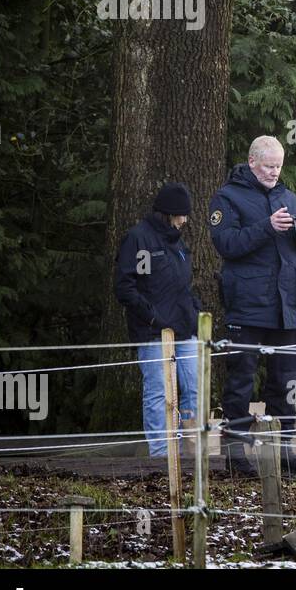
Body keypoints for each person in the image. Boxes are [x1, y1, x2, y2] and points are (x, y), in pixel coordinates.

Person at [208, 136, 296, 477]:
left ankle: (283, 452)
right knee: (241, 381)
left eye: (279, 166)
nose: (274, 172)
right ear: (253, 162)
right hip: (248, 306)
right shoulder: (228, 197)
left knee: (284, 382)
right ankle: (235, 452)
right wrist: (266, 227)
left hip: (288, 308)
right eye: (269, 166)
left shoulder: (287, 196)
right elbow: (226, 244)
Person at [114, 182, 200, 458]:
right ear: (168, 213)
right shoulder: (139, 239)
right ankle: (161, 453)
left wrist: (193, 313)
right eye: (181, 215)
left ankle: (189, 448)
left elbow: (183, 285)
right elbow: (126, 286)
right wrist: (153, 318)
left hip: (185, 330)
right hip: (153, 333)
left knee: (193, 388)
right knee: (158, 393)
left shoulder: (179, 243)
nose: (185, 221)